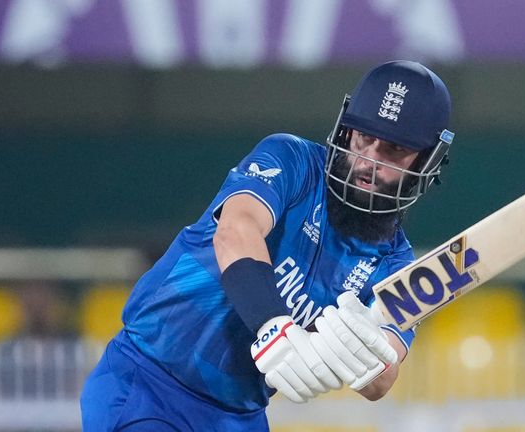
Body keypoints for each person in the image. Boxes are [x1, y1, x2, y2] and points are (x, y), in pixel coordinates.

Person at [80, 60, 454, 431]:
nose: (367, 161)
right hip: (147, 381)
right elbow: (236, 230)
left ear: (427, 160)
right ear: (345, 129)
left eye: (392, 150)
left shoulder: (396, 264)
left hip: (239, 416)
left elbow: (384, 378)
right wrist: (274, 326)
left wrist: (357, 351)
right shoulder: (292, 160)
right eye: (363, 138)